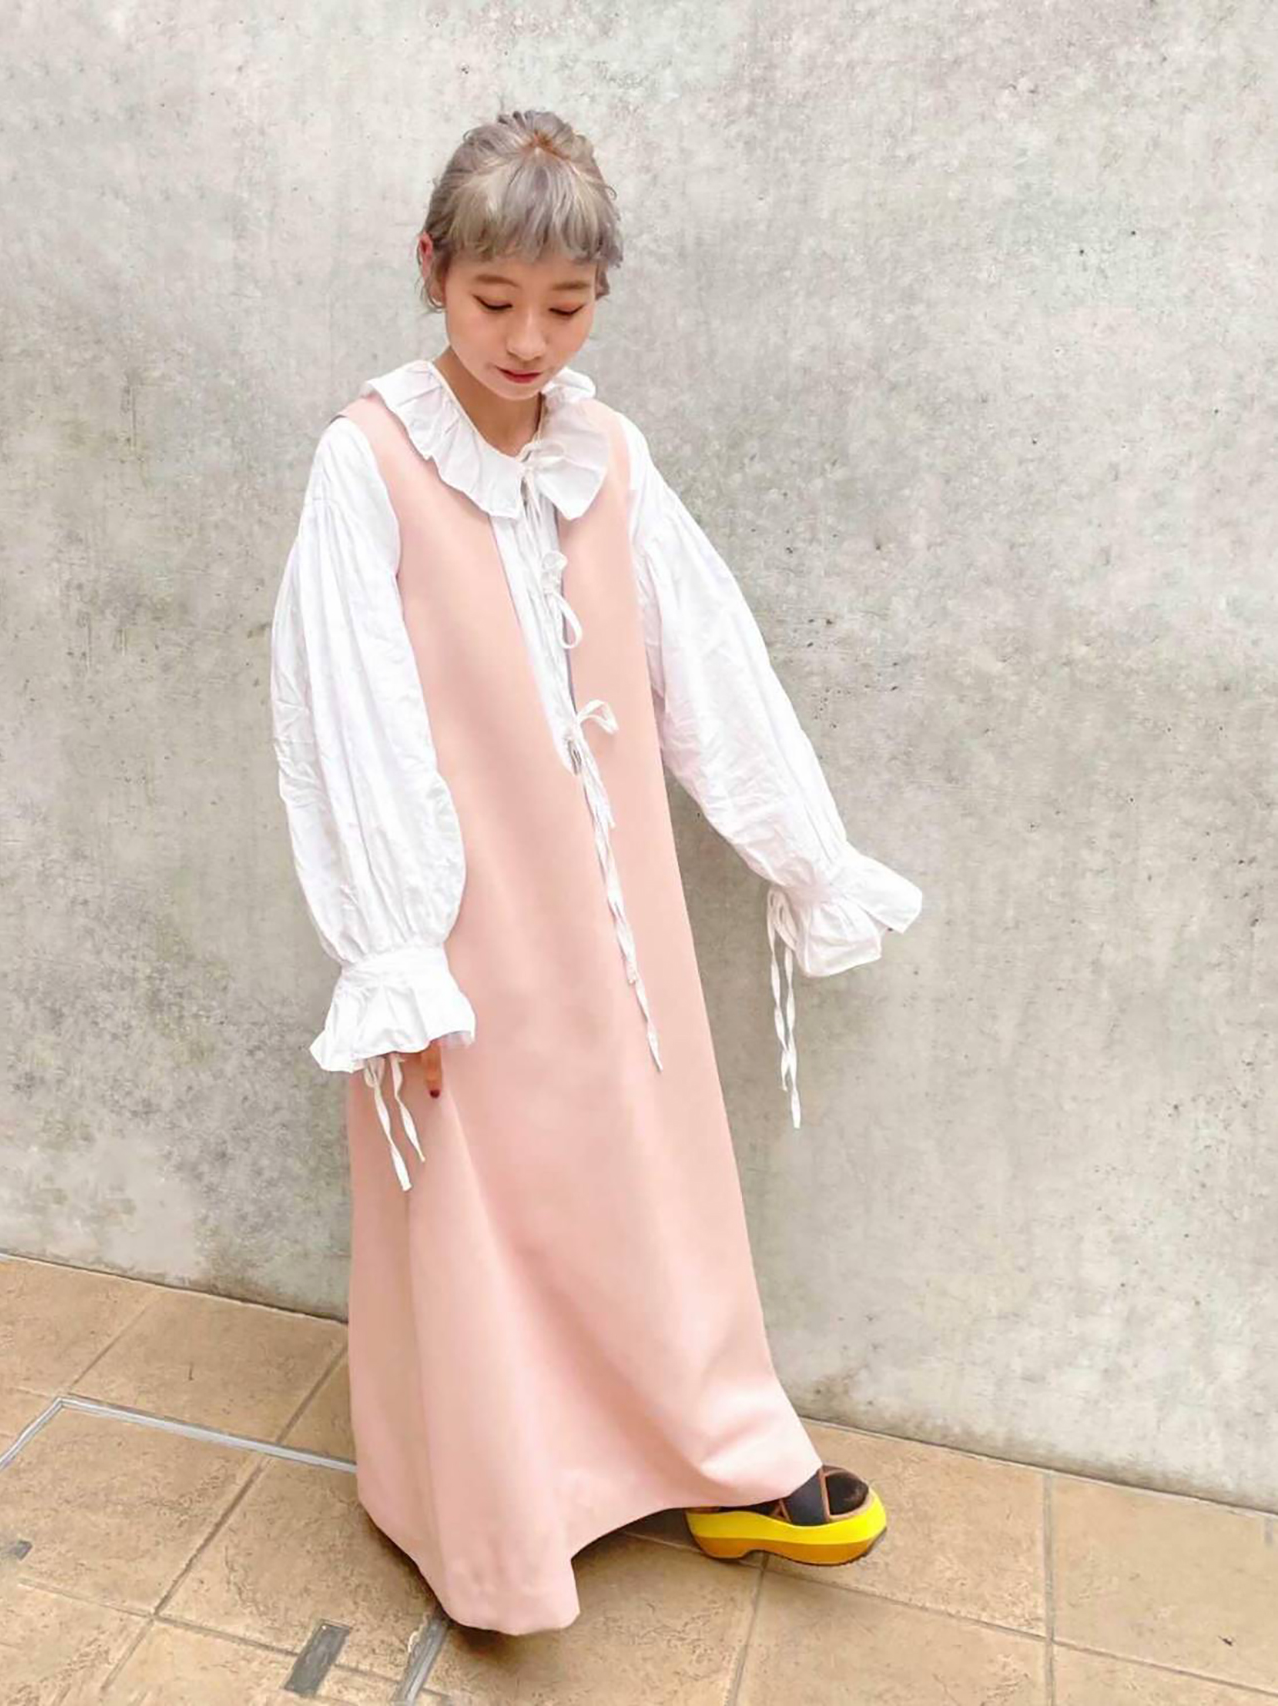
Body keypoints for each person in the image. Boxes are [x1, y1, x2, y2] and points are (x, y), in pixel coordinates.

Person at [268, 108, 923, 1636]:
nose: (527, 341)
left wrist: (805, 860)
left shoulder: (609, 458)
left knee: (647, 1174)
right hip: (463, 926)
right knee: (481, 1204)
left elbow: (711, 668)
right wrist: (398, 952)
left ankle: (717, 1453)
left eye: (565, 308)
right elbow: (346, 709)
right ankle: (498, 1524)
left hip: (616, 920)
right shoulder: (368, 460)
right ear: (433, 270)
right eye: (495, 299)